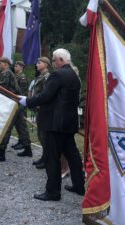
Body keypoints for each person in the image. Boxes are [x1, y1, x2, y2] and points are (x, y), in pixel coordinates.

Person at [19, 48, 85, 201]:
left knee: (52, 157)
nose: (53, 63)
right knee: (72, 155)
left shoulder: (57, 74)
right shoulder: (74, 75)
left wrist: (26, 101)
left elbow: (45, 96)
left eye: (54, 60)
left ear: (61, 60)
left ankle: (53, 192)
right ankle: (79, 185)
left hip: (55, 123)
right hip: (69, 122)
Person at [0, 57, 32, 162]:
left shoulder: (6, 73)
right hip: (15, 103)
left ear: (6, 64)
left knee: (6, 128)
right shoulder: (8, 73)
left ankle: (1, 153)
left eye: (0, 63)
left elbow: (2, 89)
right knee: (21, 126)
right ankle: (28, 149)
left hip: (13, 103)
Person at [30, 57, 51, 169]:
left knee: (44, 136)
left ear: (46, 65)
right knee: (40, 135)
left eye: (39, 62)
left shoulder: (48, 77)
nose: (37, 64)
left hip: (44, 110)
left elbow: (46, 94)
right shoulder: (40, 77)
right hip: (39, 109)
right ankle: (44, 157)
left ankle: (47, 159)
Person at [10, 61, 32, 156]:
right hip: (15, 103)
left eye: (17, 66)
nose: (15, 67)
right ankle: (21, 141)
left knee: (22, 125)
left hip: (20, 104)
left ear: (21, 67)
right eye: (14, 65)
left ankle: (26, 145)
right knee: (18, 125)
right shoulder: (15, 76)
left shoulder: (22, 77)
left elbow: (21, 93)